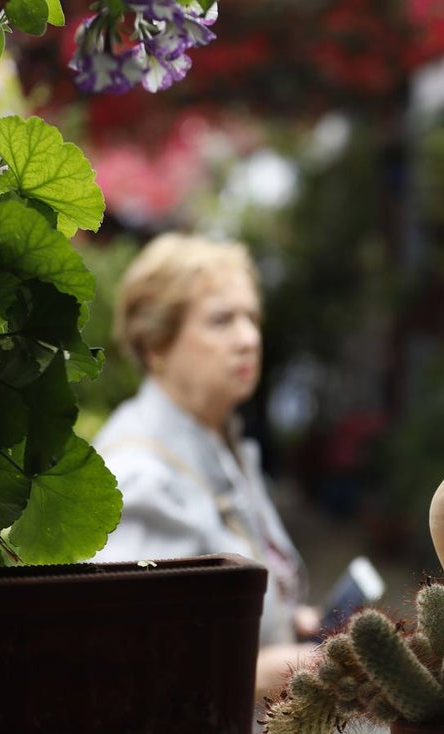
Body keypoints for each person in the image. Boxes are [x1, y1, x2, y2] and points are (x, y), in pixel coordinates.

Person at [90, 232, 320, 701]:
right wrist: (255, 673)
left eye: (251, 317)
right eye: (221, 321)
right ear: (156, 345)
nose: (248, 339)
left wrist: (286, 623)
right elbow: (121, 662)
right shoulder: (137, 478)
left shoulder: (219, 437)